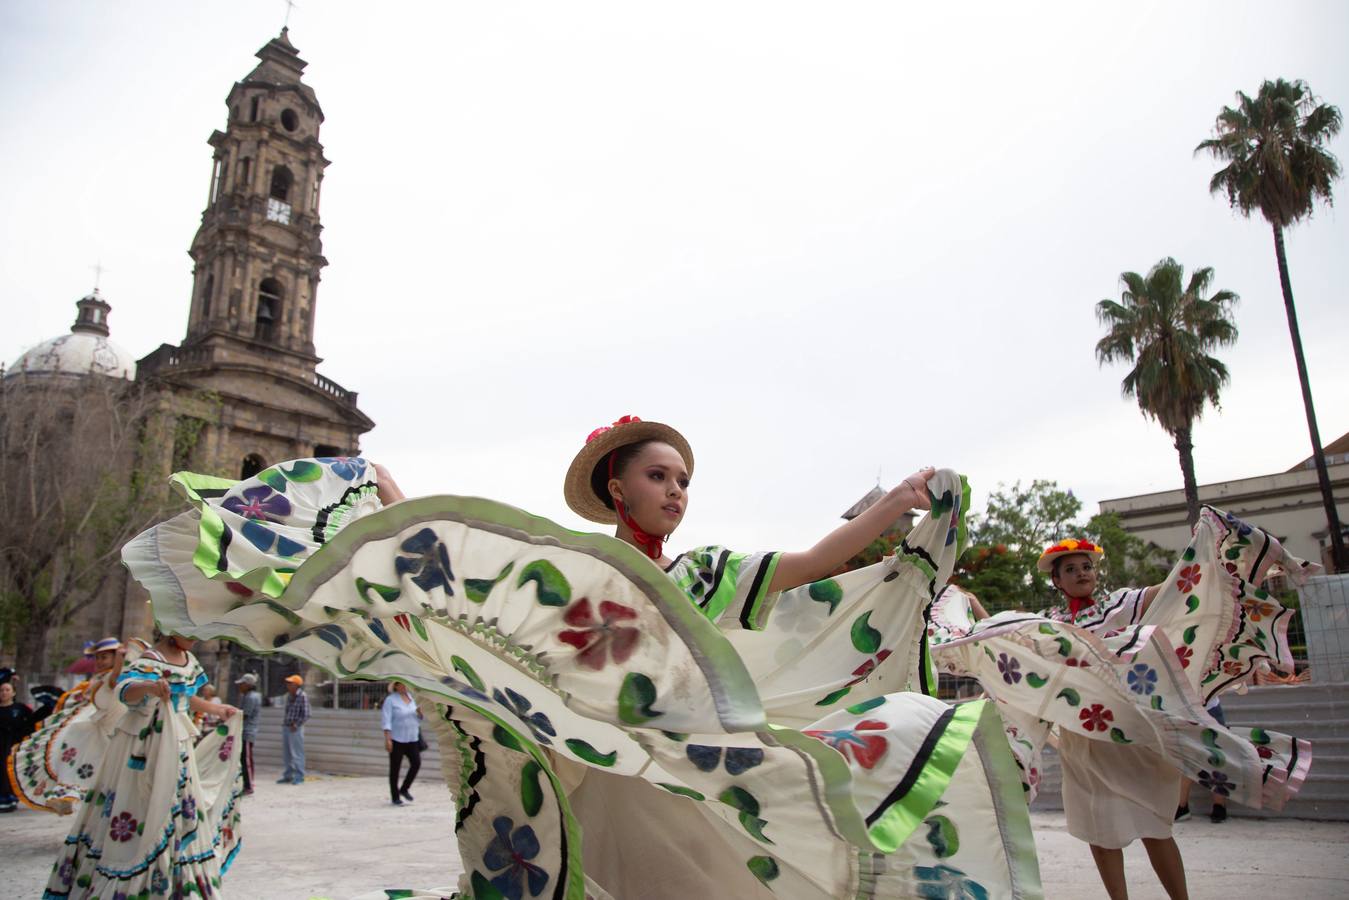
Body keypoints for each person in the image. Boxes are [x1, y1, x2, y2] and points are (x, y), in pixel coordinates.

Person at [122, 432, 1044, 898]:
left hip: (678, 778)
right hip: (578, 773)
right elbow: (465, 583)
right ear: (616, 486)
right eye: (658, 477)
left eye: (684, 480)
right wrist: (387, 502)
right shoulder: (572, 572)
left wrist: (895, 505)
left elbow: (811, 564)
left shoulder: (705, 575)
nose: (675, 492)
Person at [929, 526, 1316, 900]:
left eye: (1086, 567)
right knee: (1099, 830)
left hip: (1130, 737)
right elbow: (1005, 634)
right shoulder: (1053, 622)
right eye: (1071, 570)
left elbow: (1175, 589)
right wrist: (968, 602)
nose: (1082, 573)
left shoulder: (1119, 604)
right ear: (1058, 582)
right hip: (1084, 743)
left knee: (1155, 827)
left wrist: (1207, 554)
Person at [41, 630, 244, 898]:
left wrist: (217, 710)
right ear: (172, 631)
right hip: (145, 746)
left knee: (177, 807)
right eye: (190, 633)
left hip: (178, 744)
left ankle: (174, 883)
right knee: (139, 807)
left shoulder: (188, 659)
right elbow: (125, 692)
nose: (195, 639)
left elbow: (186, 698)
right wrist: (150, 687)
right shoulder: (150, 658)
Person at [9, 635, 127, 815]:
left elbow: (114, 680)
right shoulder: (96, 679)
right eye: (98, 657)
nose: (100, 661)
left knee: (79, 738)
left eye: (104, 657)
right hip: (94, 727)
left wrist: (119, 661)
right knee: (70, 741)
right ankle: (68, 790)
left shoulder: (117, 677)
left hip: (107, 726)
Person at [1176, 697, 1229, 824]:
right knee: (1187, 758)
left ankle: (1219, 805)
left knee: (1216, 757)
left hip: (1209, 707)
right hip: (1187, 708)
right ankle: (1182, 806)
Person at [381, 681, 422, 806]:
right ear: (396, 686)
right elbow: (386, 719)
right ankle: (395, 797)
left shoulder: (413, 699)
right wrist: (388, 738)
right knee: (395, 769)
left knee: (416, 763)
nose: (404, 687)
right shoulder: (391, 700)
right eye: (401, 684)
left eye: (406, 684)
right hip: (397, 739)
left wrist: (420, 712)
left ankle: (404, 788)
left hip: (412, 738)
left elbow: (419, 718)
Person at [0, 679, 36, 812]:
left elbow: (33, 721)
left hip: (14, 745)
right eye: (1, 690)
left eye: (7, 690)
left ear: (13, 693)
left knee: (9, 770)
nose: (4, 693)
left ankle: (10, 798)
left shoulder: (20, 708)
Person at [280, 673, 310, 785]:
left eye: (290, 683)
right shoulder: (289, 696)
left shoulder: (302, 696)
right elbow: (287, 712)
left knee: (297, 753)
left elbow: (306, 714)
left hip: (296, 728)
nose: (288, 685)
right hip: (287, 727)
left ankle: (299, 776)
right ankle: (288, 775)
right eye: (288, 683)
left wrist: (296, 725)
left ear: (297, 685)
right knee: (287, 753)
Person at [234, 672, 261, 795]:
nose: (240, 687)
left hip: (247, 732)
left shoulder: (251, 697)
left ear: (248, 685)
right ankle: (248, 782)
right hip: (246, 731)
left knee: (246, 760)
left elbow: (245, 715)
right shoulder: (249, 696)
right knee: (246, 759)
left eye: (242, 684)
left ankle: (249, 786)